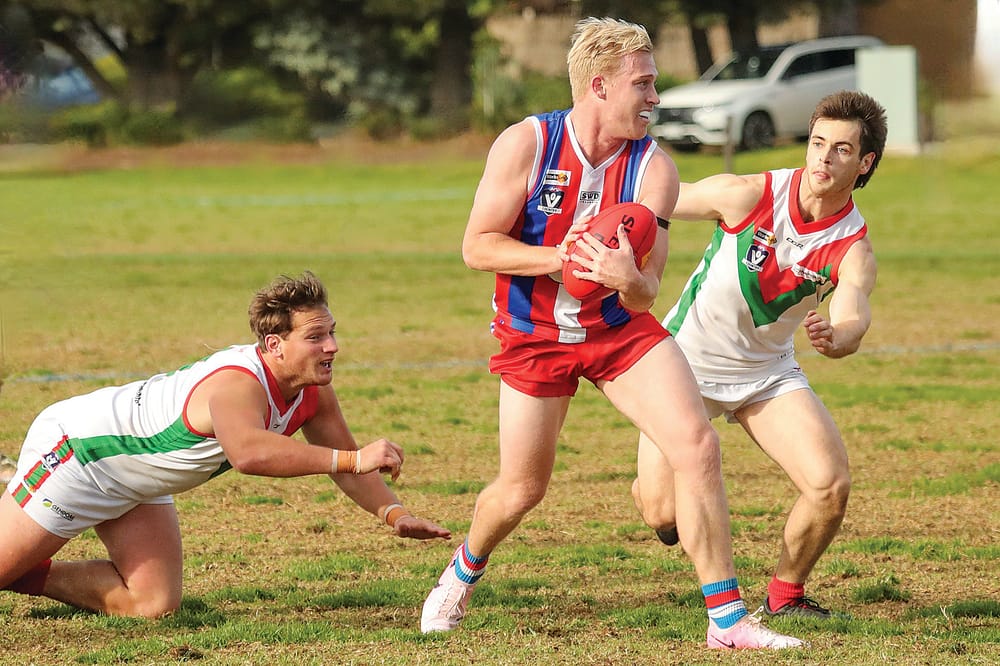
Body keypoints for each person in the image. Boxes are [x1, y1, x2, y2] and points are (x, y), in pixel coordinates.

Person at [420, 17, 804, 650]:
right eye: (643, 84)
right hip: (534, 332)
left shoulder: (656, 169)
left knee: (697, 446)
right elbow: (477, 246)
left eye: (654, 83)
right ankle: (460, 575)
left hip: (619, 331)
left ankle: (727, 620)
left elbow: (649, 289)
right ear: (598, 85)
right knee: (522, 489)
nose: (655, 97)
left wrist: (625, 278)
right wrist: (563, 259)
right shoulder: (526, 144)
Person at [0, 271, 450, 617]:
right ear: (274, 344)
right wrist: (355, 458)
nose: (332, 346)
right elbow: (250, 453)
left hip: (135, 484)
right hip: (80, 454)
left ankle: (23, 571)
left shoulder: (311, 389)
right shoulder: (236, 386)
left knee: (153, 605)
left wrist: (396, 514)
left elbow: (345, 467)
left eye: (332, 332)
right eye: (315, 337)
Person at [632, 90, 888, 619]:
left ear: (865, 163)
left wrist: (840, 338)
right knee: (661, 512)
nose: (823, 157)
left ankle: (786, 593)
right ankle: (653, 493)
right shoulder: (749, 193)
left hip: (766, 373)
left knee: (829, 484)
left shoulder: (852, 246)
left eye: (841, 149)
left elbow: (853, 309)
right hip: (683, 366)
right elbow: (660, 198)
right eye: (817, 143)